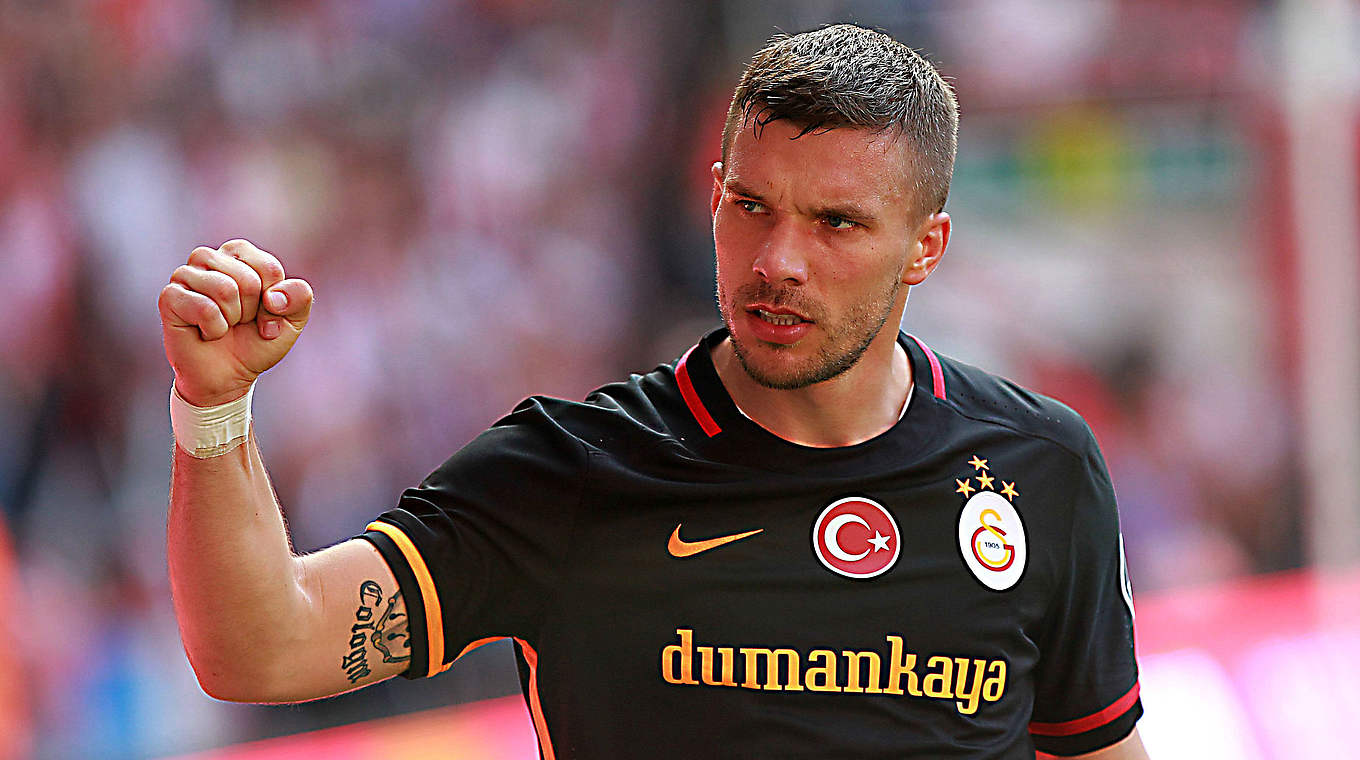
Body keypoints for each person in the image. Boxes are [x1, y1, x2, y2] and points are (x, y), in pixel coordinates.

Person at [159, 24, 1147, 759]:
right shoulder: (575, 471)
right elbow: (262, 648)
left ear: (925, 247)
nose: (777, 260)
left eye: (836, 224)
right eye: (750, 206)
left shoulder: (1037, 469)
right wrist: (214, 408)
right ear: (711, 195)